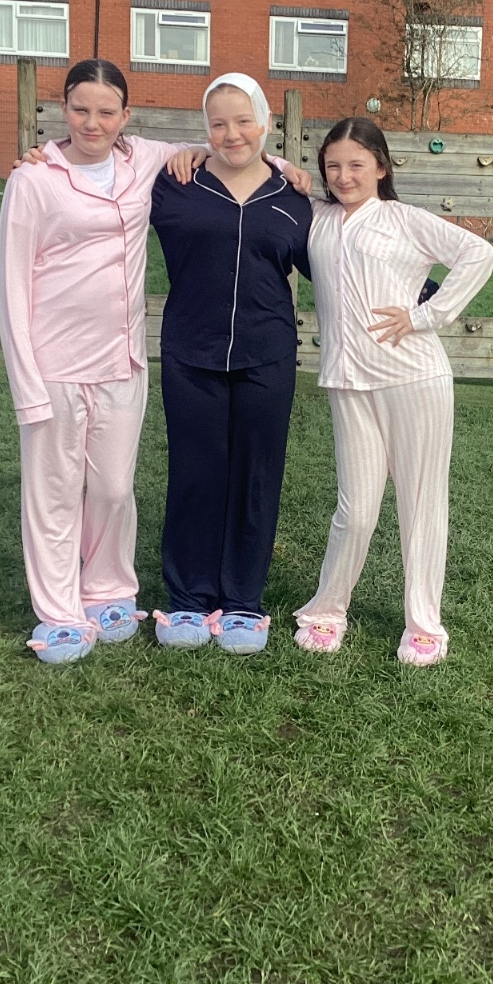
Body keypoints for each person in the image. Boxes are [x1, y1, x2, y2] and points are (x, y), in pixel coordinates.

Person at [0, 59, 306, 664]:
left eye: (105, 111)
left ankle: (108, 592)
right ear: (63, 110)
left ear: (126, 116)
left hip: (122, 360)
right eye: (80, 109)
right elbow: (11, 284)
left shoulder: (146, 161)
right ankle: (59, 614)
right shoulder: (35, 178)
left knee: (114, 489)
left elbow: (228, 148)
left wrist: (281, 166)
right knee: (55, 491)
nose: (92, 122)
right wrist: (25, 382)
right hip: (56, 360)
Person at [292, 118, 493, 666]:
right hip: (347, 381)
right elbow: (275, 178)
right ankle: (327, 610)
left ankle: (424, 625)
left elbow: (479, 254)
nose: (343, 176)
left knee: (421, 504)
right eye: (333, 165)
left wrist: (426, 316)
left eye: (356, 164)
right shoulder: (317, 218)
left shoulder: (404, 219)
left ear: (381, 167)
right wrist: (281, 166)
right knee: (355, 509)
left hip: (415, 379)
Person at [148, 74, 312, 656]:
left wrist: (420, 296)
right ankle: (189, 598)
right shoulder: (175, 183)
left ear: (264, 122)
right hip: (191, 353)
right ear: (205, 129)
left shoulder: (292, 198)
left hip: (267, 356)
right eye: (218, 123)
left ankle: (243, 599)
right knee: (195, 473)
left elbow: (344, 261)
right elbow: (109, 167)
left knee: (255, 477)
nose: (231, 133)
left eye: (243, 120)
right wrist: (43, 161)